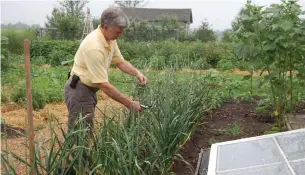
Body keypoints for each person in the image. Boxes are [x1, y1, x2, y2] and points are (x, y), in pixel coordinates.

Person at [64, 7, 148, 131]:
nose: (120, 35)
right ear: (107, 26)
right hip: (80, 90)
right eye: (118, 32)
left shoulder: (110, 39)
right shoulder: (94, 46)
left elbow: (119, 61)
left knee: (85, 129)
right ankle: (75, 151)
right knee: (81, 134)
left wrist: (137, 73)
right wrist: (130, 104)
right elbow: (103, 85)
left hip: (88, 89)